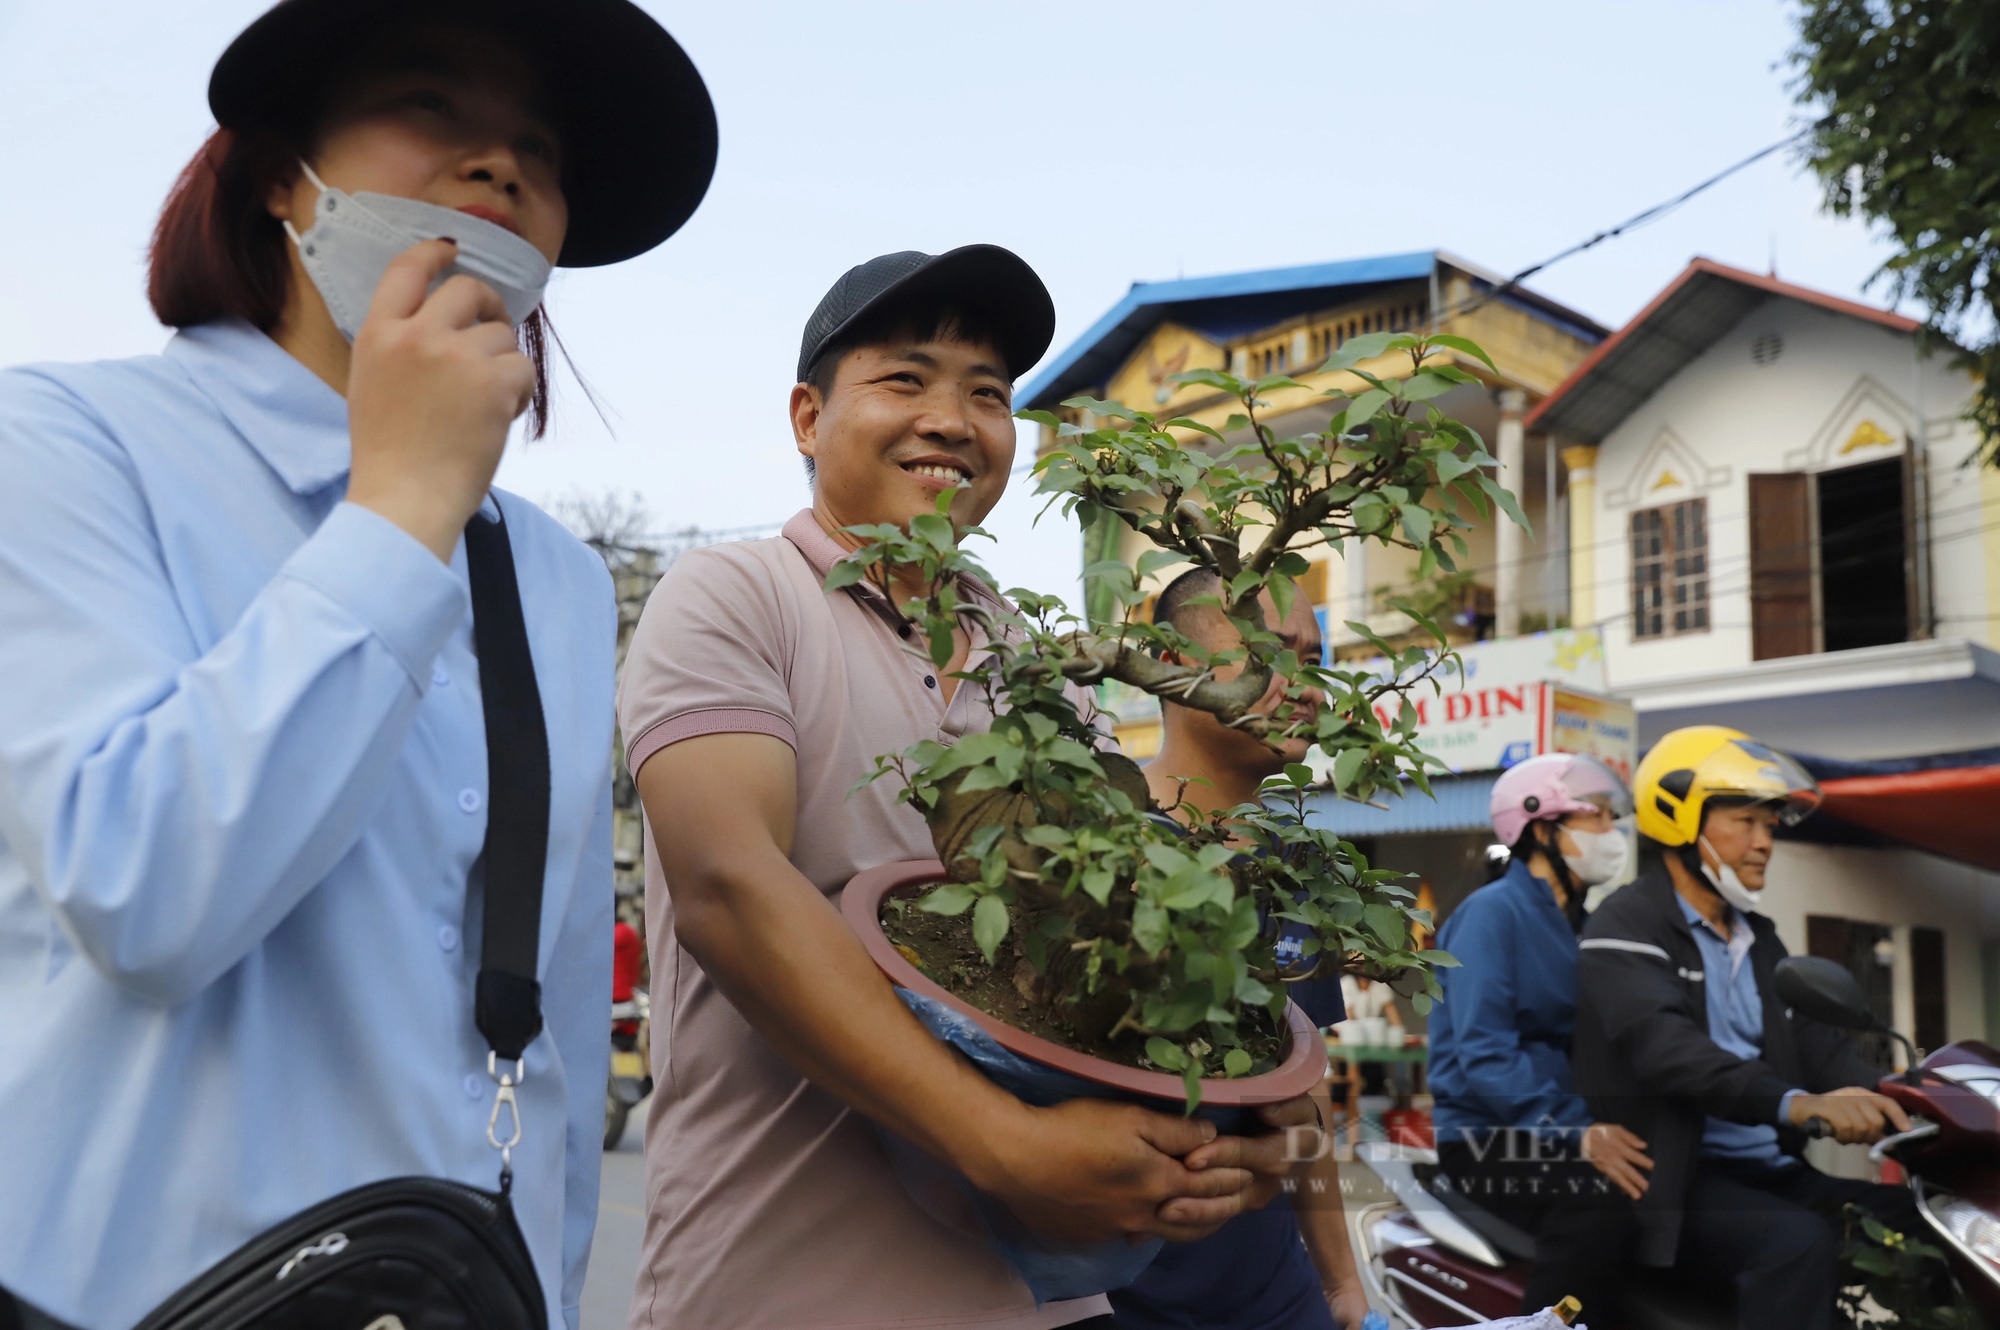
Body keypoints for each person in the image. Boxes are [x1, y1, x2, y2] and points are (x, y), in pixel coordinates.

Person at [0, 4, 716, 1327]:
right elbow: (141, 886)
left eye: (539, 147)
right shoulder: (64, 440)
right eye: (431, 104)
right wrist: (401, 510)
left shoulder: (551, 575)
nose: (501, 165)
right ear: (283, 177)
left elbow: (551, 1023)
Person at [616, 248, 1320, 1330]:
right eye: (904, 380)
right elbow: (730, 889)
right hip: (782, 1286)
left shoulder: (1038, 667)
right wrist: (1005, 1143)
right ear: (808, 417)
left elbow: (1114, 945)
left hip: (1050, 1301)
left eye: (985, 394)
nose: (950, 418)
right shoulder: (737, 595)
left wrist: (1238, 1118)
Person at [1574, 726, 1916, 1330]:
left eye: (1771, 825)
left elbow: (1821, 1046)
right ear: (1681, 820)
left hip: (1772, 1173)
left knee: (1917, 1217)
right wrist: (1798, 1104)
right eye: (1746, 823)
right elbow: (1672, 1054)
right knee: (1797, 1244)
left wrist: (1918, 1096)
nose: (1766, 842)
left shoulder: (1760, 939)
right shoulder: (1623, 926)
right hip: (1680, 1182)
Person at [1108, 567, 1370, 1330]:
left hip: (1272, 1296)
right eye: (1267, 651)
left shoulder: (1296, 861)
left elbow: (1309, 1079)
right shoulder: (1101, 850)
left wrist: (1340, 1282)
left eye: (1314, 662)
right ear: (1171, 662)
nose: (1304, 685)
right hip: (1119, 1297)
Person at [1427, 753, 1653, 1321]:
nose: (1612, 833)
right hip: (1486, 1135)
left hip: (1561, 1125)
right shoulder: (1492, 914)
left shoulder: (1580, 923)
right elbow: (1484, 1054)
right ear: (1544, 828)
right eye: (1597, 818)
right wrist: (1577, 1132)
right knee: (1594, 1209)